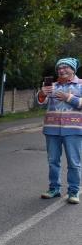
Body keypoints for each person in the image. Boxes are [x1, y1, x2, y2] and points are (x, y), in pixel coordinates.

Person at [37, 57, 82, 204]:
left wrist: (69, 97)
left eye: (65, 67)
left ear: (73, 69)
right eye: (59, 68)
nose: (61, 70)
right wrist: (42, 93)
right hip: (52, 130)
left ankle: (74, 191)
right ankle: (54, 188)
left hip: (74, 130)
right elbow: (39, 103)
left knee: (74, 163)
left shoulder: (80, 84)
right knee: (53, 162)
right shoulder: (51, 85)